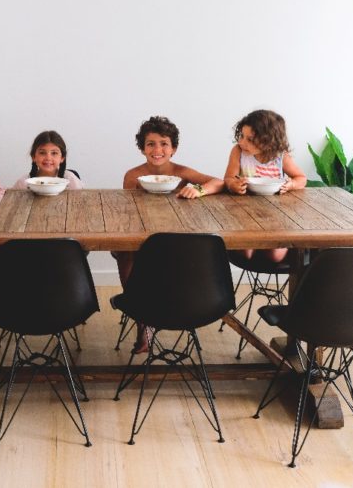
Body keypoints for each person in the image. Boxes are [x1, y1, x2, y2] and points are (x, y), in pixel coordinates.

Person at [117, 115, 224, 353]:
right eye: (151, 144)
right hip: (143, 235)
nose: (157, 149)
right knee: (124, 253)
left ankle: (170, 309)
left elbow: (218, 182)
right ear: (142, 148)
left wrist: (198, 189)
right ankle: (141, 319)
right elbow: (128, 210)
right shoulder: (133, 176)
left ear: (173, 148)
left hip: (178, 238)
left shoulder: (182, 172)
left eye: (164, 143)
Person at [223, 109, 307, 263]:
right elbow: (228, 178)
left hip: (275, 215)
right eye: (241, 136)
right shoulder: (238, 152)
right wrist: (234, 185)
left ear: (268, 141)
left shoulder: (280, 156)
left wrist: (292, 184)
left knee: (275, 255)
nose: (242, 142)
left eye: (250, 139)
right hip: (245, 213)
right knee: (245, 253)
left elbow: (301, 178)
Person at [12, 130, 84, 190]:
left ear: (62, 158)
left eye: (54, 153)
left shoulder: (70, 180)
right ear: (33, 156)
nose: (48, 158)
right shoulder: (24, 183)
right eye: (42, 153)